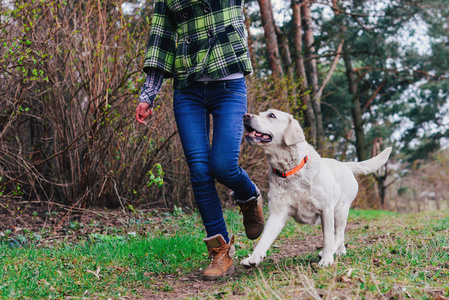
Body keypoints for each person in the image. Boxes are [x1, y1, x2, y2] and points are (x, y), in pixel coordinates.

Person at [135, 0, 264, 280]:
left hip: (229, 84)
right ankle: (220, 252)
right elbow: (161, 39)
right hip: (188, 88)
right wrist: (148, 95)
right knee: (199, 170)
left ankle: (249, 196)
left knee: (223, 165)